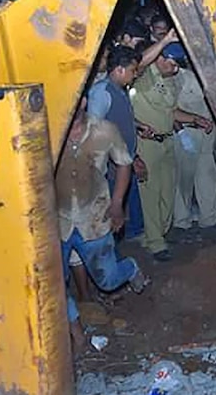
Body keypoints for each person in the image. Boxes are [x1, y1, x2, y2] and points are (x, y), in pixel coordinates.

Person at [58, 97, 147, 352]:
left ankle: (129, 268)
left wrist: (117, 203)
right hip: (58, 222)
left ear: (83, 101)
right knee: (54, 286)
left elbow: (124, 164)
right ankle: (78, 336)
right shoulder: (49, 130)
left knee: (107, 280)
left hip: (94, 219)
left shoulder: (105, 130)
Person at [132, 43, 212, 261]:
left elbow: (172, 111)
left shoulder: (171, 81)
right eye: (173, 63)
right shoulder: (143, 77)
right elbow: (139, 61)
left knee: (167, 192)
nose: (176, 69)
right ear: (160, 58)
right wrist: (166, 38)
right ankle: (155, 243)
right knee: (151, 194)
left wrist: (195, 119)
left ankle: (162, 233)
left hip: (167, 141)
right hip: (146, 144)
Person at [87, 46, 146, 240]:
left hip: (125, 160)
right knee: (112, 208)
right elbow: (95, 130)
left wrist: (137, 125)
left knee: (125, 202)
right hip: (112, 165)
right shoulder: (101, 93)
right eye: (132, 70)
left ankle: (131, 234)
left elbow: (118, 119)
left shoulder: (119, 90)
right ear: (119, 69)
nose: (135, 74)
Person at [173, 67, 216, 230]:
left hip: (208, 132)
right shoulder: (178, 76)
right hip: (188, 132)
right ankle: (181, 221)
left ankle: (209, 219)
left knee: (208, 176)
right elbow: (169, 109)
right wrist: (181, 132)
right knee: (183, 180)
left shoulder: (212, 73)